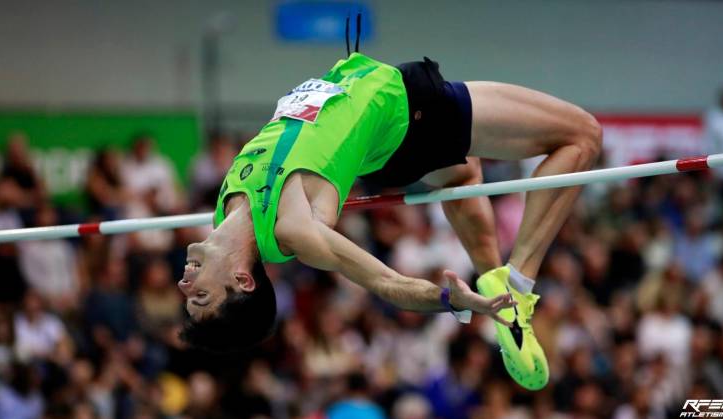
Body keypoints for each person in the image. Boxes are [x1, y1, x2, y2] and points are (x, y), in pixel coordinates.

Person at [177, 51, 602, 391]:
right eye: (200, 297)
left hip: (383, 143)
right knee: (582, 136)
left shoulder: (224, 211)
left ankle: (494, 280)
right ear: (242, 280)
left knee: (463, 174)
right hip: (412, 113)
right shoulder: (293, 228)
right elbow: (385, 282)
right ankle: (518, 286)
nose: (184, 285)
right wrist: (452, 301)